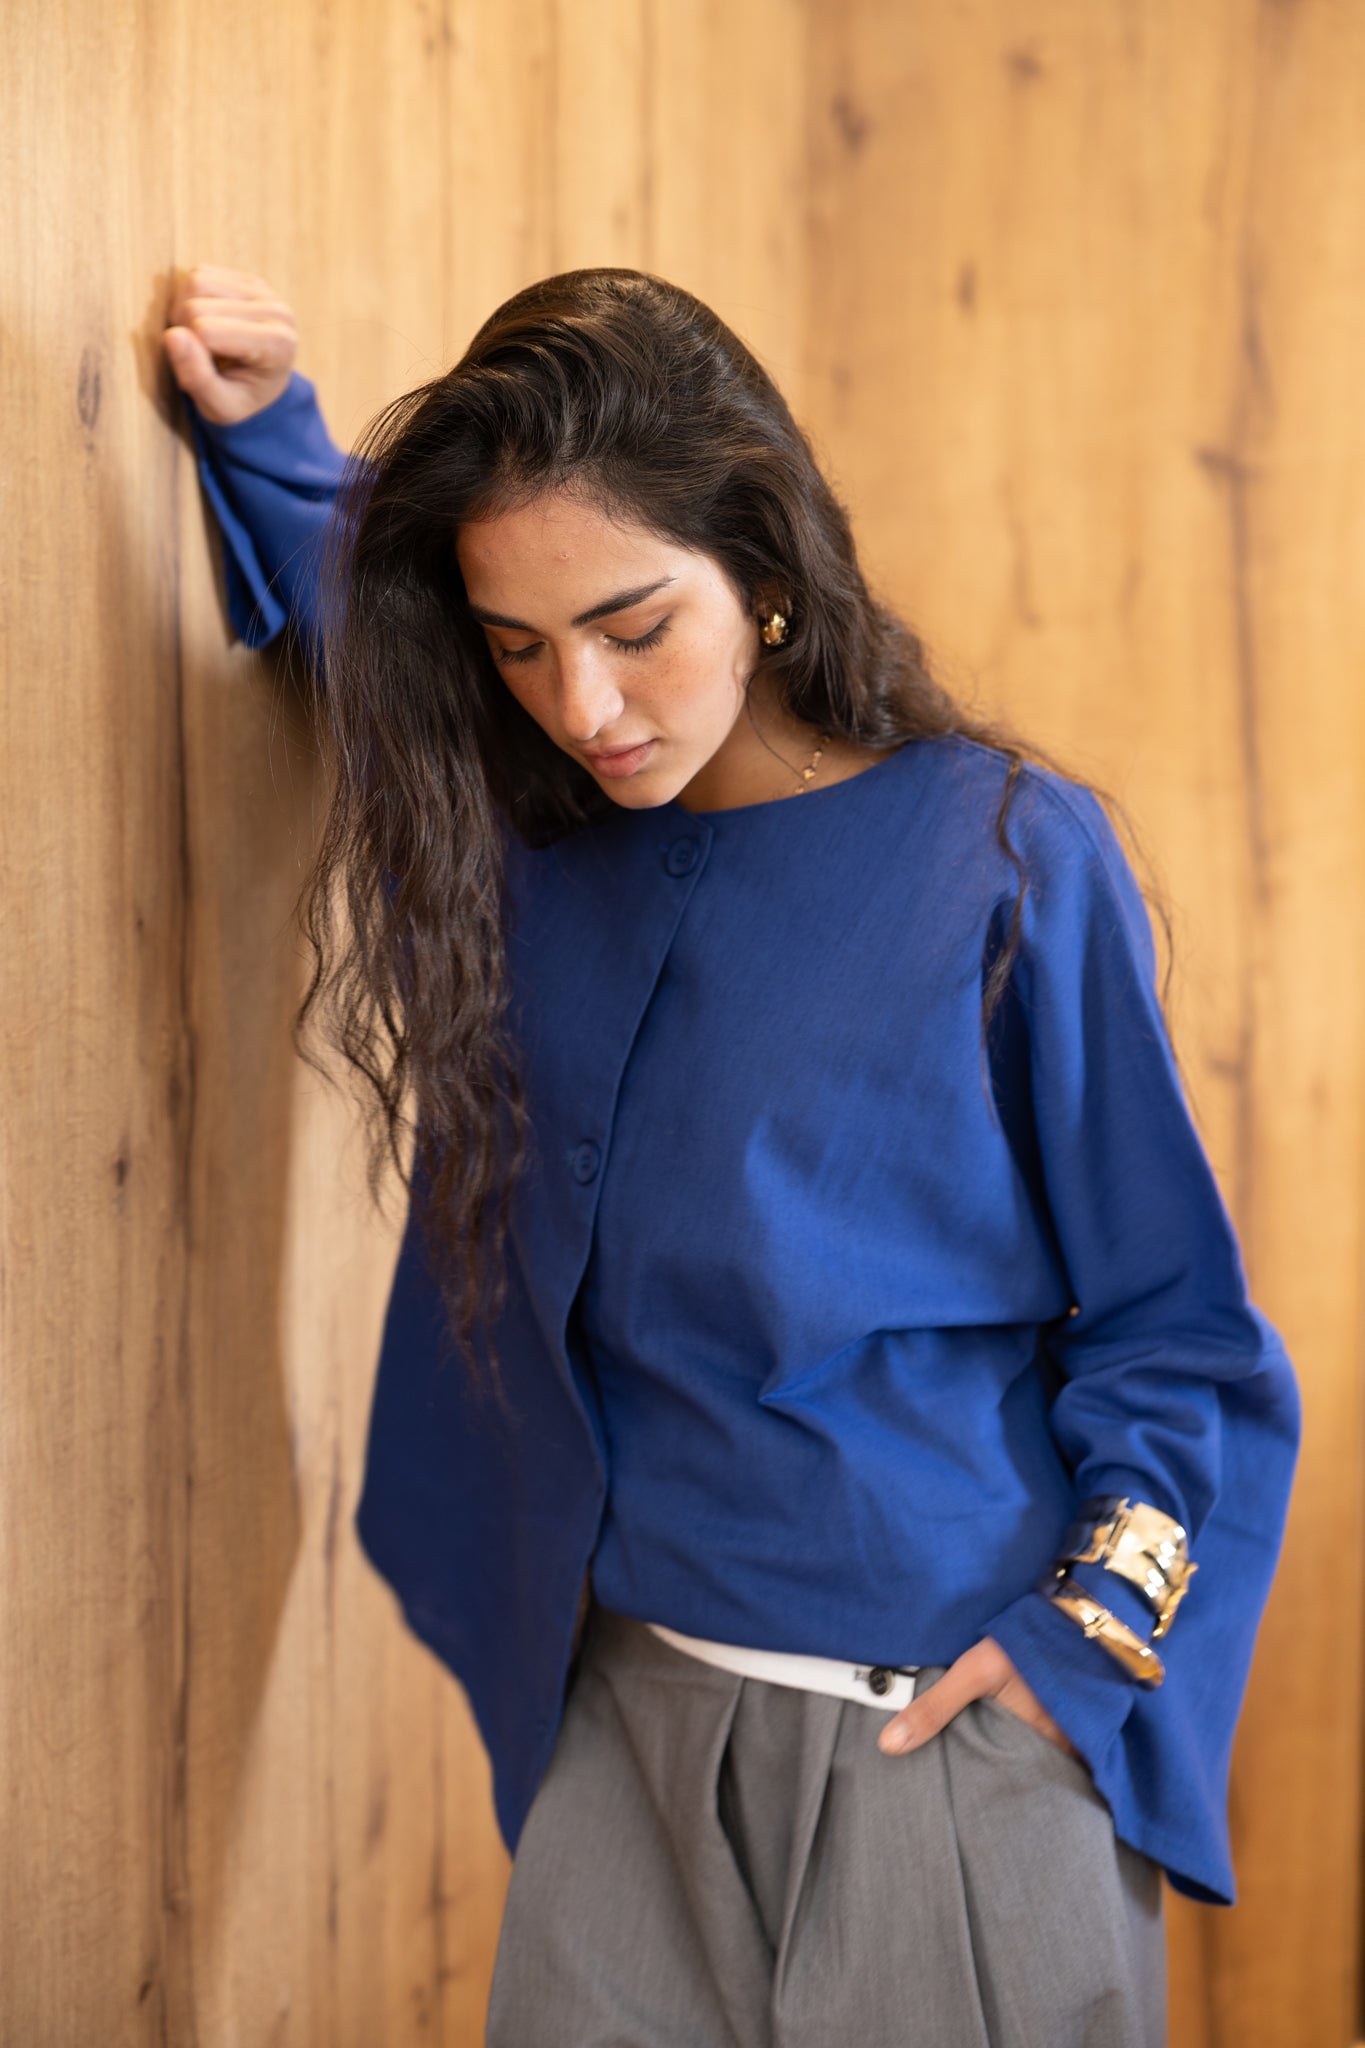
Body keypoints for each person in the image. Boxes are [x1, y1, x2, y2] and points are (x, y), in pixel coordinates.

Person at [161, 263, 1301, 2048]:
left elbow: (1179, 1330)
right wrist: (270, 430)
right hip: (619, 1730)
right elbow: (362, 609)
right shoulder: (526, 832)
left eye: (634, 628)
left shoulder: (1004, 860)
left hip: (943, 1745)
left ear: (762, 574)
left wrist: (1087, 1645)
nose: (583, 703)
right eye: (519, 647)